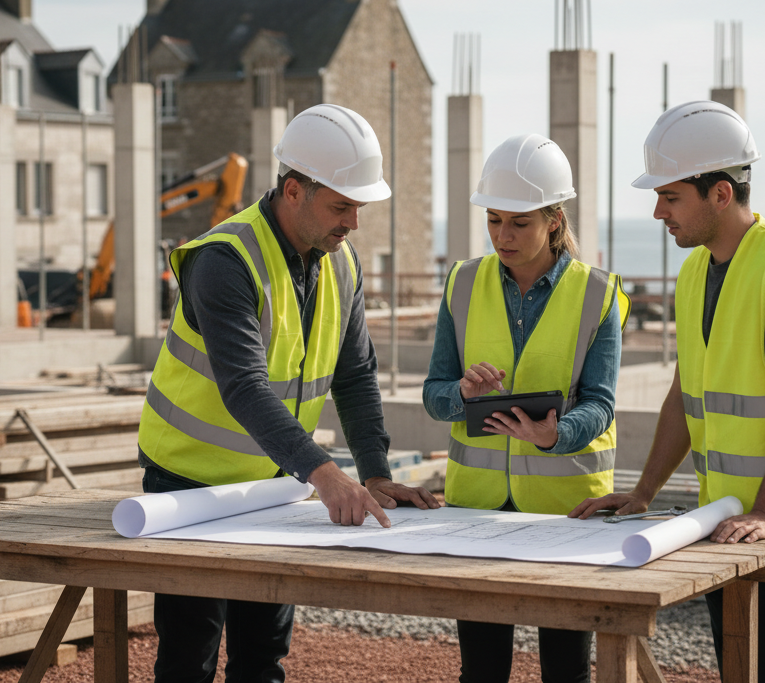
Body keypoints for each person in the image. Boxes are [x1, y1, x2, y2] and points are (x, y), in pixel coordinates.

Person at [570, 101, 765, 683]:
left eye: (670, 196)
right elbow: (685, 396)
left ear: (719, 193)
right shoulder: (696, 271)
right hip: (730, 513)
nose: (658, 211)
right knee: (740, 667)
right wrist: (643, 493)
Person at [137, 103, 440, 683]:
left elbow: (355, 375)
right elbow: (244, 387)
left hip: (275, 482)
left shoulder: (340, 263)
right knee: (189, 660)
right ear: (294, 190)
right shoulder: (223, 260)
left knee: (262, 657)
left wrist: (374, 473)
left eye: (359, 207)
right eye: (342, 206)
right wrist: (326, 475)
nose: (354, 223)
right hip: (188, 483)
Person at [423, 134, 629, 683]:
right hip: (476, 509)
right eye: (493, 220)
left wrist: (554, 435)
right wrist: (461, 395)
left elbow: (601, 404)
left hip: (567, 512)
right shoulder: (462, 284)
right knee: (482, 671)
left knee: (565, 671)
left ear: (554, 220)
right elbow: (435, 393)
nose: (502, 236)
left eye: (519, 223)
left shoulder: (597, 294)